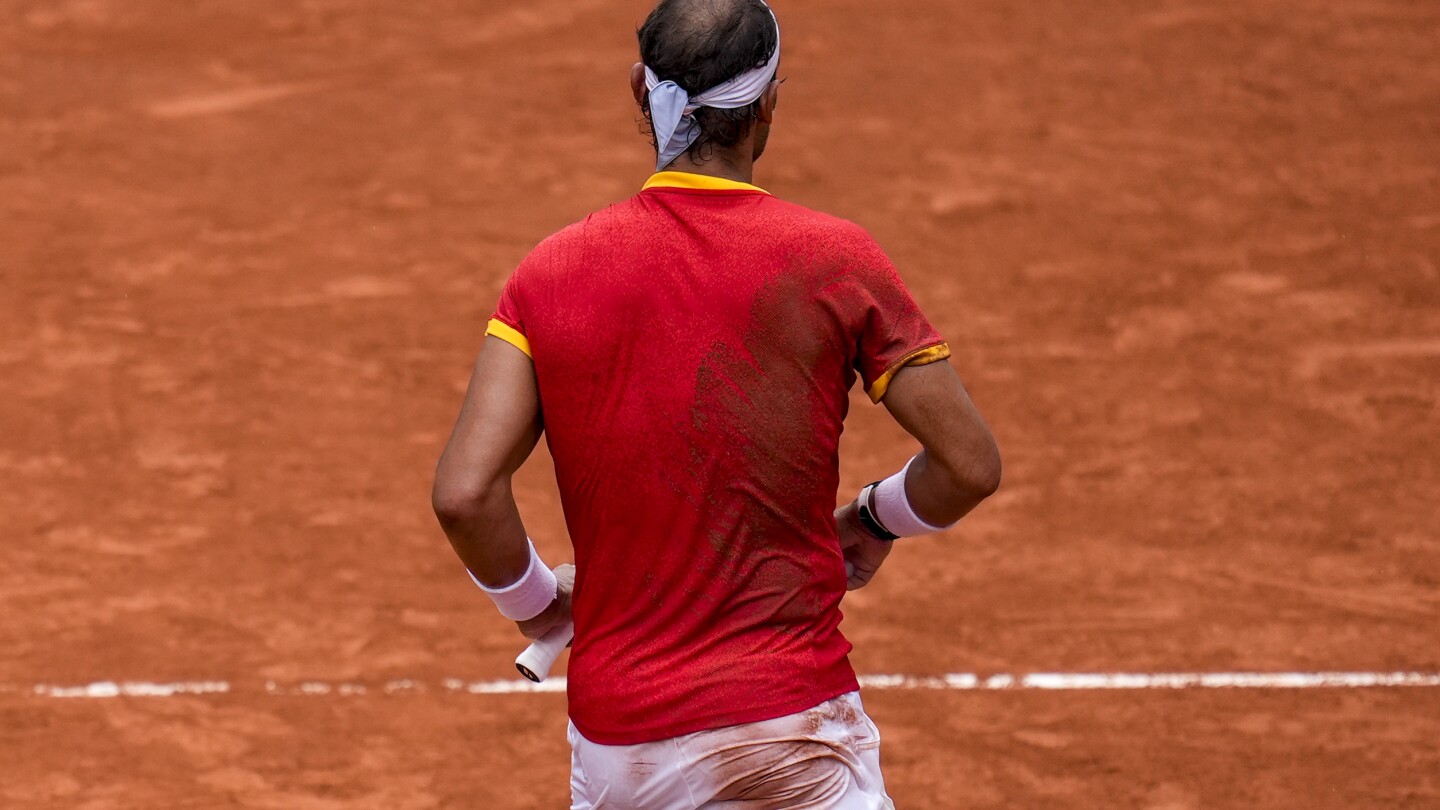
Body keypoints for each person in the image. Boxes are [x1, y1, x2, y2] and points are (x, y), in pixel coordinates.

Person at [431, 0, 1001, 806]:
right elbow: (968, 465)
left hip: (619, 750)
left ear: (641, 90)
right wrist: (875, 520)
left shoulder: (548, 274)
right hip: (792, 735)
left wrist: (534, 601)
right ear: (767, 105)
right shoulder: (833, 259)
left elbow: (464, 493)